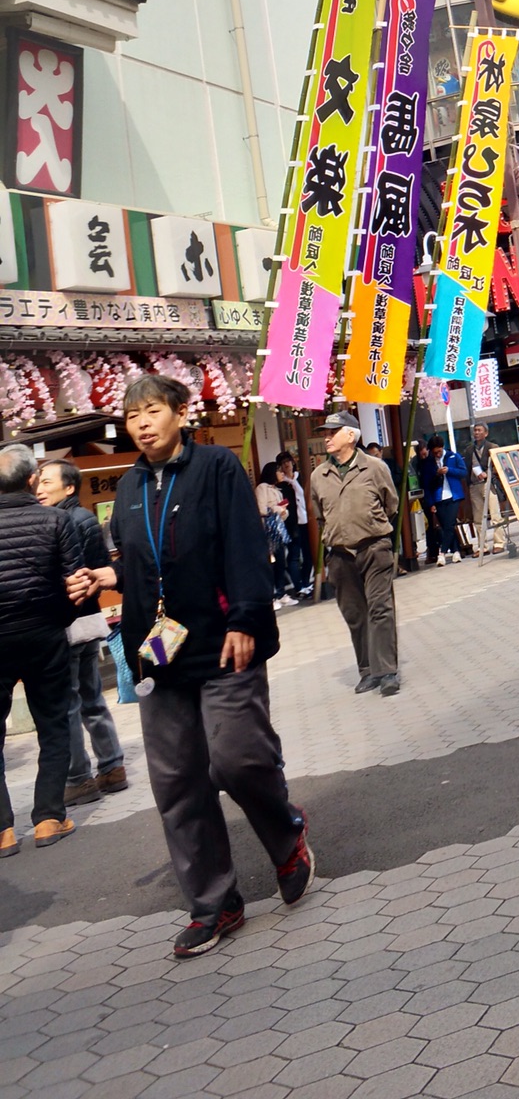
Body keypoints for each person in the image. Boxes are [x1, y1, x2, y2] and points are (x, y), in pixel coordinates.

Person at [66, 377, 312, 956]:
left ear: (181, 412)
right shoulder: (128, 487)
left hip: (224, 642)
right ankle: (215, 903)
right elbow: (144, 559)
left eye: (152, 411)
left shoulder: (218, 468)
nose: (142, 423)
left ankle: (287, 837)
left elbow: (243, 546)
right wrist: (112, 576)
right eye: (132, 416)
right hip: (158, 654)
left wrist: (247, 618)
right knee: (176, 781)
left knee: (237, 759)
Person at [0, 445, 83, 854]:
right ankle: (49, 817)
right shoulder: (57, 520)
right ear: (32, 479)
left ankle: (2, 830)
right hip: (45, 634)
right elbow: (75, 582)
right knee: (53, 723)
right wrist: (60, 620)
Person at [33, 459, 127, 806]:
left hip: (69, 624)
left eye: (46, 482)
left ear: (69, 487)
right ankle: (113, 766)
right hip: (89, 621)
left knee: (69, 704)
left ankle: (78, 778)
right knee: (91, 698)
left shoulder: (61, 521)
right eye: (38, 483)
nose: (39, 489)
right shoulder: (86, 517)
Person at [310, 410, 400, 694]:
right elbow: (320, 515)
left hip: (374, 547)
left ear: (351, 435)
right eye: (325, 432)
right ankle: (367, 670)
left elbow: (391, 504)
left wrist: (369, 525)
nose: (326, 437)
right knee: (354, 613)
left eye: (332, 432)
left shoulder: (374, 467)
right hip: (339, 553)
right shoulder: (318, 475)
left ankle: (387, 671)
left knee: (380, 608)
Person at [419, 433, 468, 566]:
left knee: (450, 524)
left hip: (454, 495)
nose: (438, 454)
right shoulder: (428, 463)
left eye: (439, 451)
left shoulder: (453, 456)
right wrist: (431, 503)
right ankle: (456, 551)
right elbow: (426, 484)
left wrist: (449, 470)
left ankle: (442, 553)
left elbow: (463, 472)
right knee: (446, 525)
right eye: (435, 453)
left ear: (442, 447)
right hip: (438, 497)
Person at [274, 454, 313, 597]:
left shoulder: (301, 478)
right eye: (283, 463)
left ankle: (306, 582)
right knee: (294, 555)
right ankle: (299, 586)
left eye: (288, 461)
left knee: (308, 555)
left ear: (293, 462)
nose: (286, 465)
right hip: (292, 523)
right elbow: (282, 505)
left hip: (306, 520)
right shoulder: (281, 485)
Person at [256, 464, 293, 609]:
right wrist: (279, 509)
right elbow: (261, 508)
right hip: (267, 530)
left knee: (280, 562)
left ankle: (281, 593)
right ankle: (271, 596)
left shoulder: (277, 489)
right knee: (270, 563)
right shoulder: (262, 488)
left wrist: (284, 512)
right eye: (279, 471)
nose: (282, 473)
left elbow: (281, 511)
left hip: (278, 528)